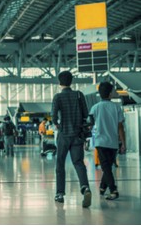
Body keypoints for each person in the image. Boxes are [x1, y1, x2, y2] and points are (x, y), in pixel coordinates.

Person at [51, 70, 91, 208]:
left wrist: (58, 125)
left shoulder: (57, 97)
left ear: (59, 82)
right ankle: (85, 187)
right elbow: (86, 115)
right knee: (79, 163)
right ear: (71, 81)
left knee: (60, 164)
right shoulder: (79, 95)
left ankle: (60, 194)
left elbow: (53, 117)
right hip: (78, 135)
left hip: (64, 135)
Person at [89, 82, 126, 200]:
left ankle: (109, 189)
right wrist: (123, 143)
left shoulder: (95, 108)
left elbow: (89, 125)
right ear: (110, 94)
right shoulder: (116, 107)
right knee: (107, 167)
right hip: (113, 143)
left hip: (100, 142)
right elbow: (120, 127)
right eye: (114, 90)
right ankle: (107, 188)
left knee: (106, 167)